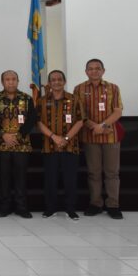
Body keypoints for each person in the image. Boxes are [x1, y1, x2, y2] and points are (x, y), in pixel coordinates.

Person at [73, 58, 124, 219]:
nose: (94, 71)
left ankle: (113, 205)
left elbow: (118, 111)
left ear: (103, 70)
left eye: (97, 68)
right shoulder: (79, 89)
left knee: (112, 173)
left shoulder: (113, 88)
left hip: (110, 136)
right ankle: (95, 204)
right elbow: (79, 113)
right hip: (90, 136)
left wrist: (102, 125)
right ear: (86, 71)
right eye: (91, 68)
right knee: (93, 173)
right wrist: (93, 126)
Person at [37, 70, 84, 220]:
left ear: (64, 81)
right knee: (50, 179)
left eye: (59, 79)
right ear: (49, 83)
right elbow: (38, 122)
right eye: (53, 80)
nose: (56, 82)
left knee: (70, 179)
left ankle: (71, 209)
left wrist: (66, 138)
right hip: (49, 146)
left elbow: (80, 121)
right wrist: (54, 137)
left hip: (70, 146)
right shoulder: (41, 101)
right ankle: (50, 208)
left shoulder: (74, 99)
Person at [0, 70, 37, 219]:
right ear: (2, 82)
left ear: (18, 81)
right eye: (7, 79)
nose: (11, 82)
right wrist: (3, 134)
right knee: (4, 177)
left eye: (13, 79)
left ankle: (21, 207)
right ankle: (4, 207)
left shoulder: (27, 98)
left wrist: (19, 135)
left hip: (21, 144)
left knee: (21, 177)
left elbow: (32, 119)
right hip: (2, 144)